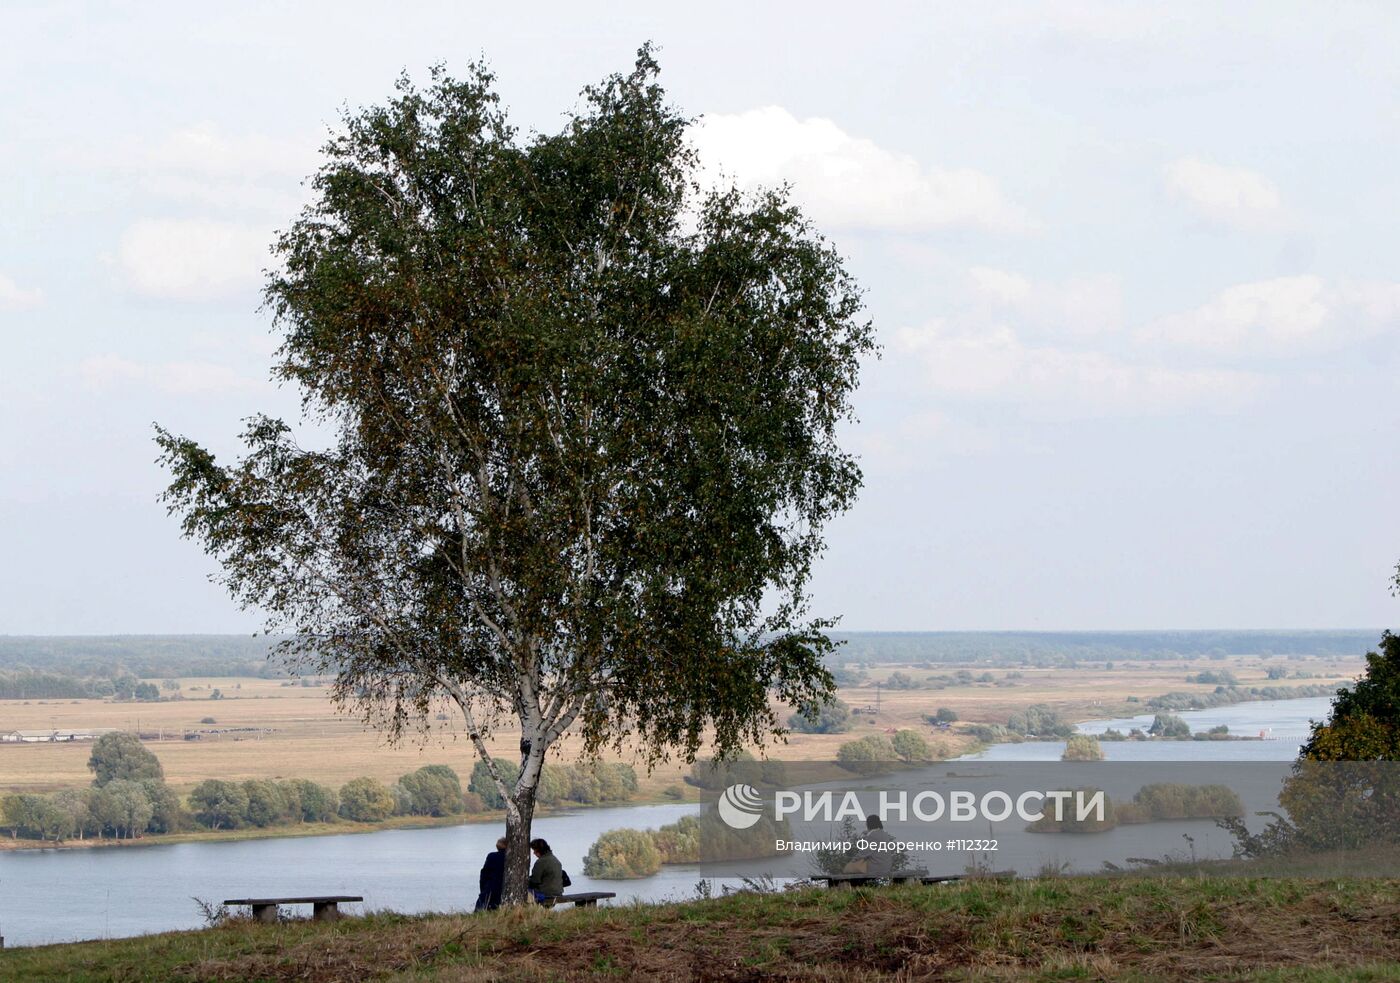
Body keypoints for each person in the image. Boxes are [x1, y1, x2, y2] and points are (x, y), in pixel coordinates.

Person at [527, 837, 564, 904]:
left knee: (522, 891)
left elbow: (535, 881)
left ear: (539, 850)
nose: (534, 853)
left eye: (534, 850)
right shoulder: (555, 859)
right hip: (558, 892)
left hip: (546, 893)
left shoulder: (541, 862)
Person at [475, 836, 507, 911]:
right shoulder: (510, 857)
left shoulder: (492, 856)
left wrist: (482, 888)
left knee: (481, 908)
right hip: (502, 887)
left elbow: (484, 873)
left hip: (491, 887)